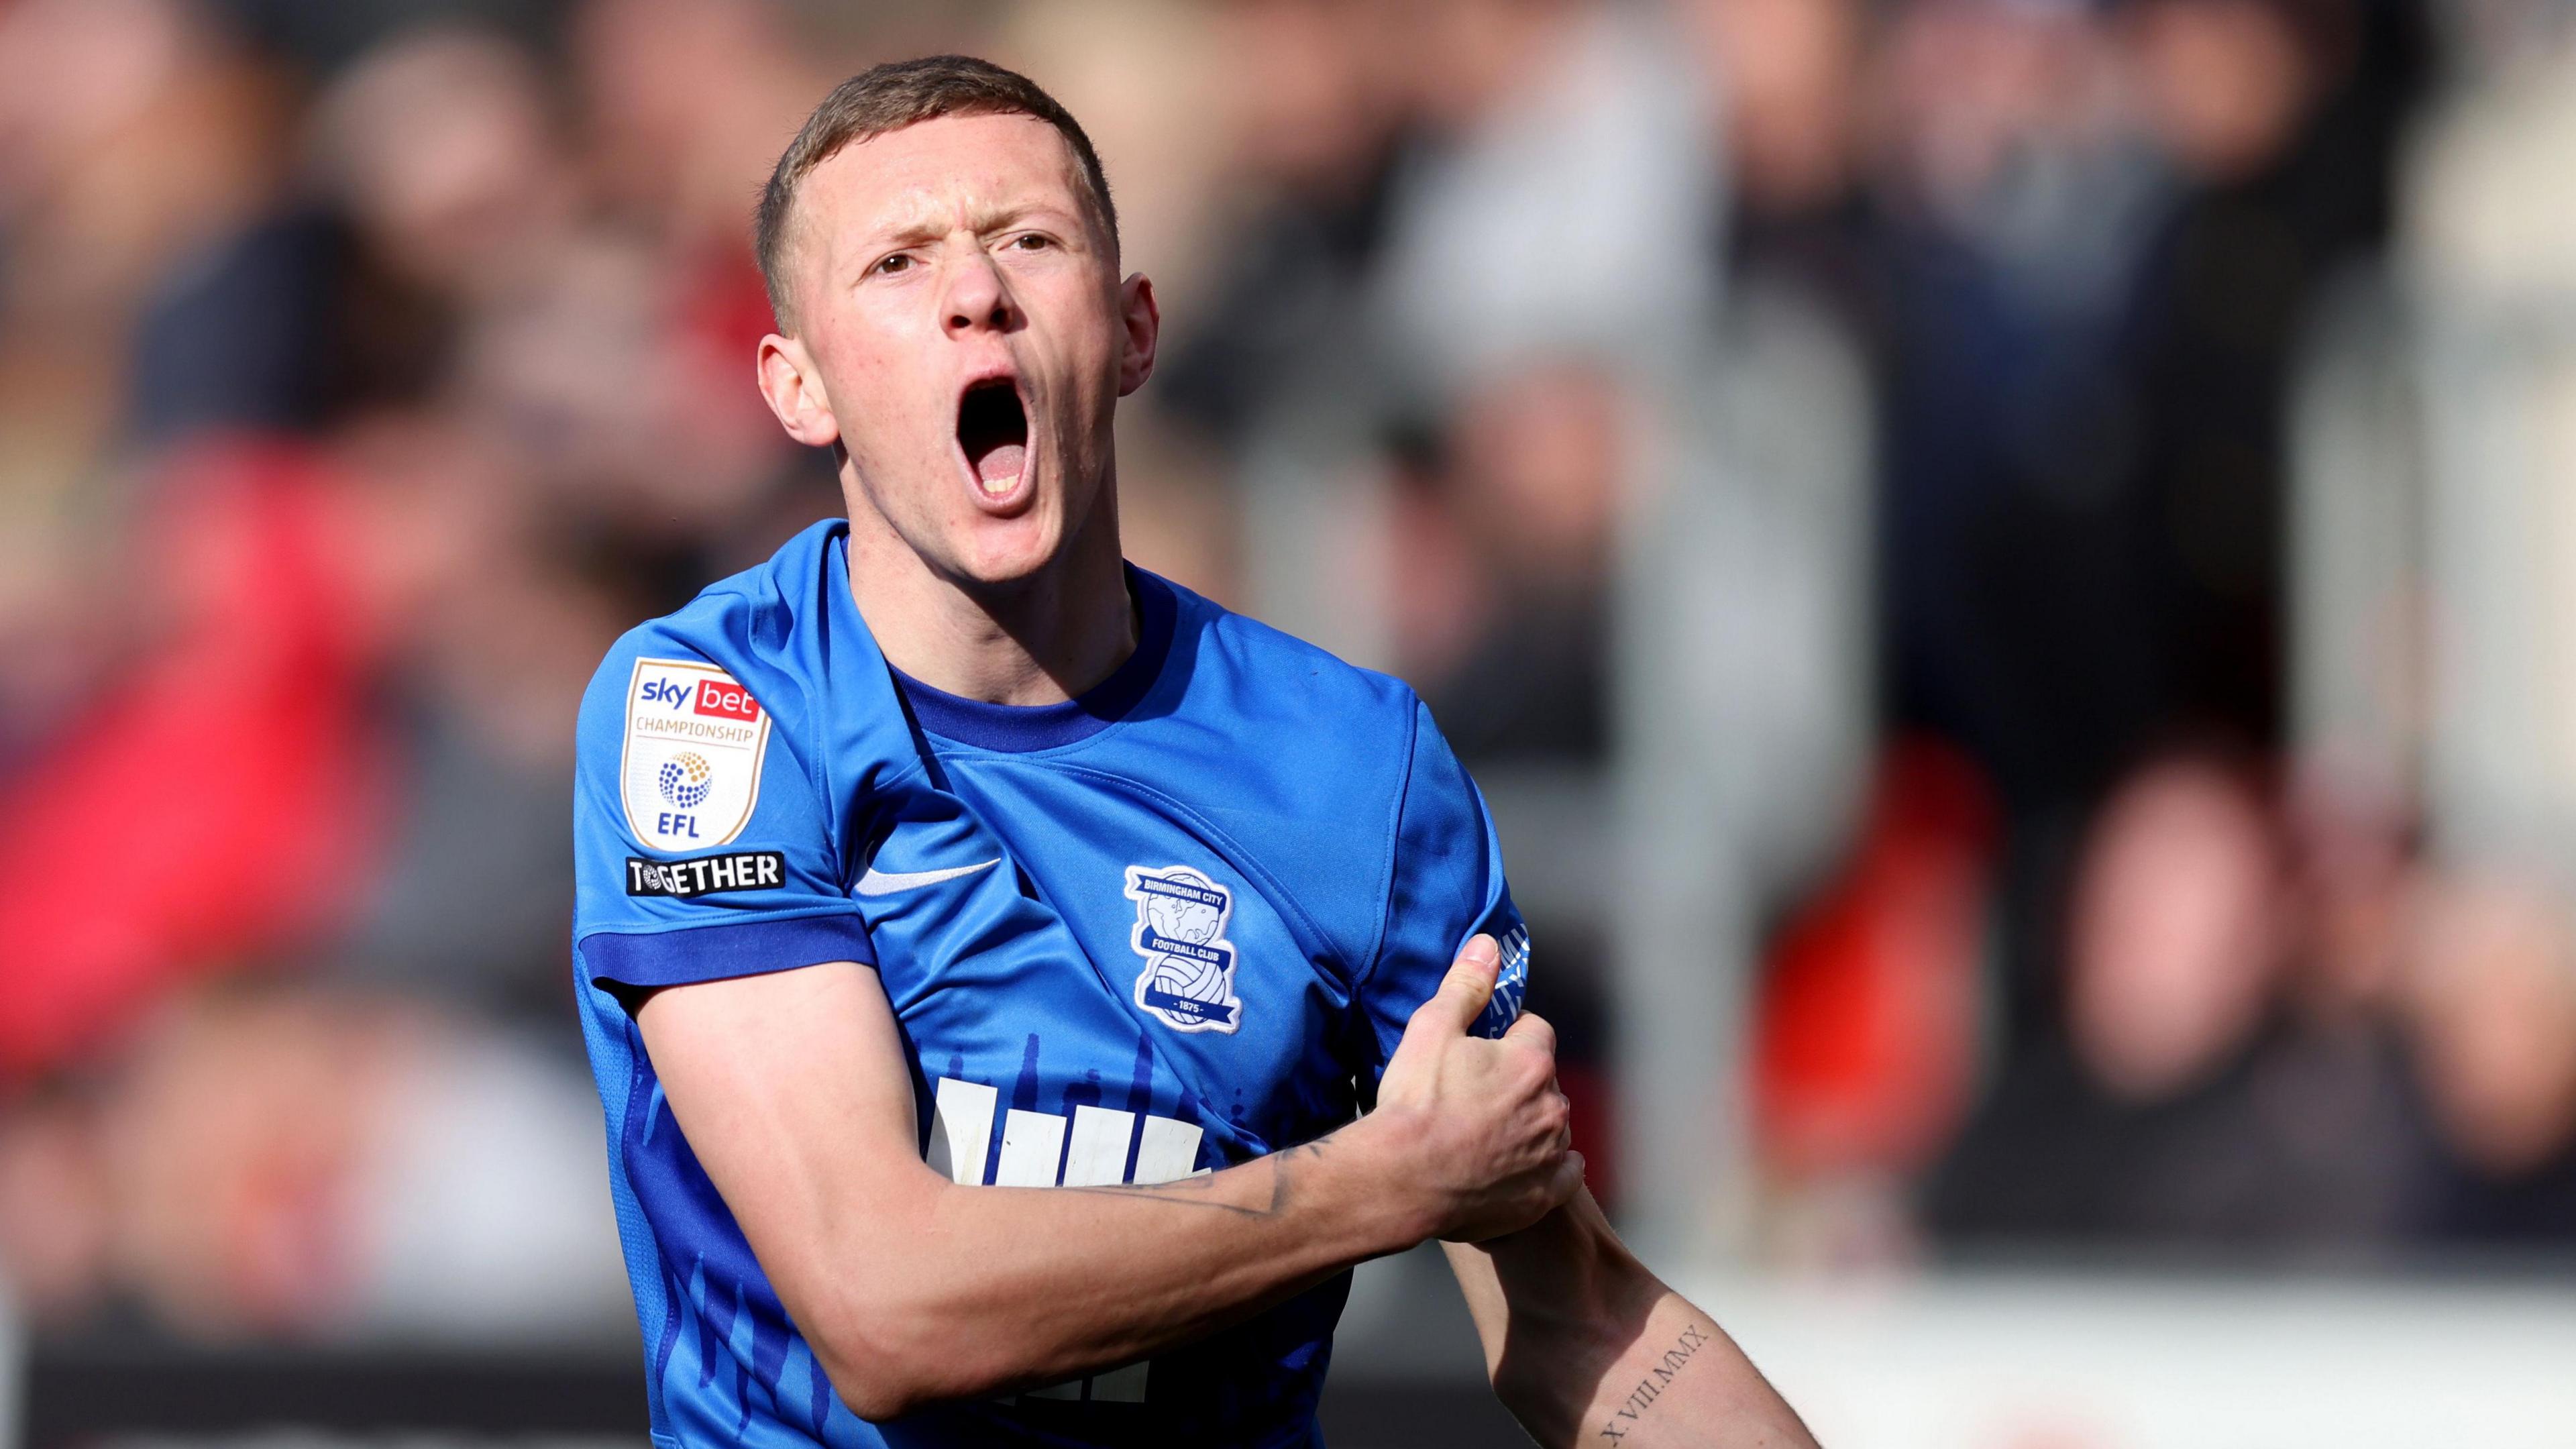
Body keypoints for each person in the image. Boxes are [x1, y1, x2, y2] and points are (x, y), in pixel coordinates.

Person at [569, 56, 1815, 1448]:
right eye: (899, 263)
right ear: (799, 387)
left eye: (1027, 241)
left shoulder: (1354, 768)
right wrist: (1385, 1185)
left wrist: (1448, 1185)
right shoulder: (722, 707)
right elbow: (884, 1310)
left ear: (1135, 330)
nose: (974, 291)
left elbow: (1581, 1321)